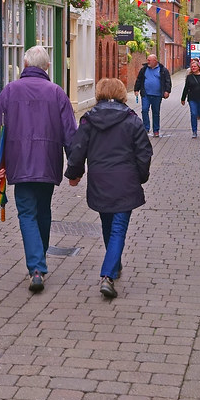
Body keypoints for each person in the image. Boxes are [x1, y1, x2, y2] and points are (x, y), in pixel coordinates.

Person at [0, 44, 77, 293]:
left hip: (19, 163)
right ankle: (40, 258)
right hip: (48, 163)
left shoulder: (9, 91)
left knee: (27, 213)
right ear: (47, 67)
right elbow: (71, 133)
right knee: (43, 210)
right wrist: (75, 167)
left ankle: (36, 267)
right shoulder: (57, 93)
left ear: (25, 65)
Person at [65, 78, 152, 300]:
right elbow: (144, 152)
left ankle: (114, 264)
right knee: (118, 228)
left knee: (108, 224)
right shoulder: (132, 120)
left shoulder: (88, 120)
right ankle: (108, 275)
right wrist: (141, 176)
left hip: (100, 180)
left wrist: (74, 174)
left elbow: (77, 150)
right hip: (125, 181)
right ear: (123, 94)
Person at [132, 53, 172, 137]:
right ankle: (146, 127)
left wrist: (167, 91)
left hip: (157, 95)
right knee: (144, 110)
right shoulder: (144, 69)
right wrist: (136, 89)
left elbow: (167, 81)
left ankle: (156, 130)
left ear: (155, 61)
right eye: (148, 60)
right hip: (146, 94)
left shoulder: (162, 70)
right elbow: (139, 79)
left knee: (156, 112)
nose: (148, 62)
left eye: (149, 60)